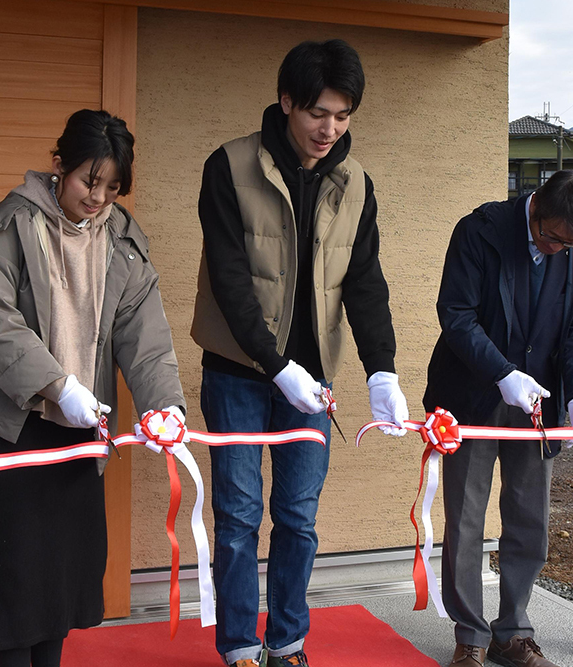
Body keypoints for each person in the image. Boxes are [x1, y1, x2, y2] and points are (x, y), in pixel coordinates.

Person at [191, 39, 409, 667]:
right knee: (237, 518)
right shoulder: (229, 166)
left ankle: (286, 643)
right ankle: (238, 647)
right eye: (318, 113)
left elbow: (364, 282)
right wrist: (274, 364)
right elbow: (230, 282)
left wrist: (382, 370)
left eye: (343, 116)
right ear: (286, 101)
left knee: (297, 518)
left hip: (313, 384)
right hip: (237, 370)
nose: (329, 129)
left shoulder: (357, 181)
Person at [0, 109, 184, 667]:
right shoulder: (7, 224)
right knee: (13, 563)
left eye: (111, 186)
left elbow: (144, 335)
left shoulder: (124, 240)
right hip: (10, 420)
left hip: (81, 421)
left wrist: (165, 407)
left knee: (61, 565)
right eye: (88, 179)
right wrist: (56, 383)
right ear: (59, 166)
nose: (98, 196)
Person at [422, 170, 573, 667]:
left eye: (572, 243)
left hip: (540, 402)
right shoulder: (480, 230)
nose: (558, 249)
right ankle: (471, 637)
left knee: (530, 517)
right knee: (465, 516)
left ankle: (514, 632)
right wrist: (502, 372)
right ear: (536, 209)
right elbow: (456, 314)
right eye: (551, 238)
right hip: (471, 395)